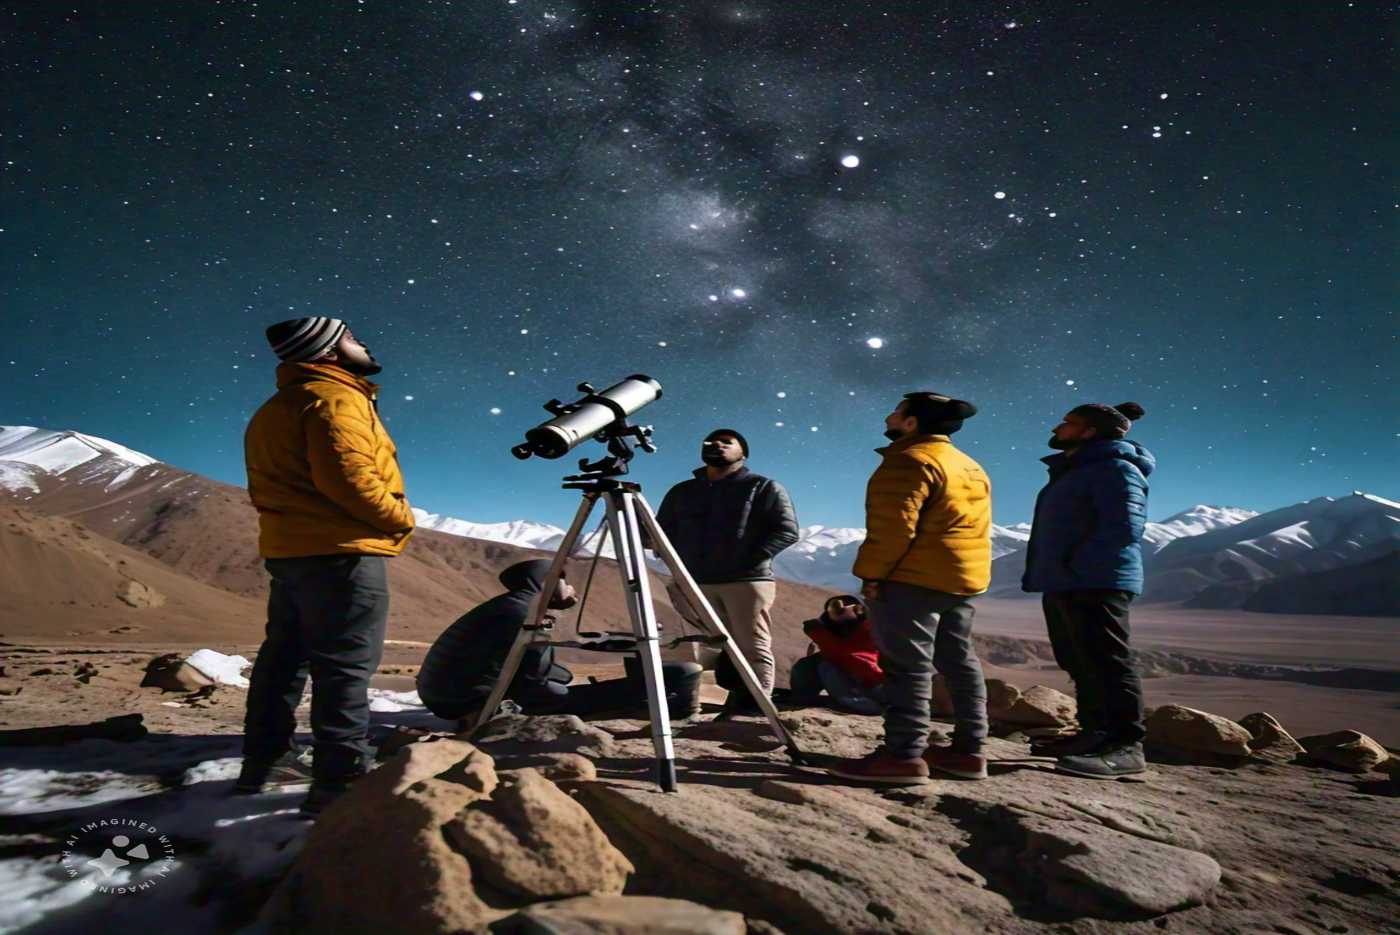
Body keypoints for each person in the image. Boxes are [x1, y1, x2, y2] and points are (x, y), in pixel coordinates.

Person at [237, 317, 415, 818]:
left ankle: (266, 764)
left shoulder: (278, 406)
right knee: (344, 668)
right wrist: (401, 517)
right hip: (341, 550)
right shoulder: (334, 399)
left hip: (293, 551)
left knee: (284, 660)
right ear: (329, 350)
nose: (363, 341)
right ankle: (341, 781)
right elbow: (350, 479)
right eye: (353, 337)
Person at [829, 392, 992, 785]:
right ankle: (969, 752)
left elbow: (891, 531)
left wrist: (872, 576)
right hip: (961, 578)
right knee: (958, 662)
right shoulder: (969, 465)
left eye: (897, 411)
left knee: (906, 667)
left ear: (911, 423)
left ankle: (903, 756)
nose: (889, 414)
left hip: (912, 578)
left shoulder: (907, 460)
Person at [1021, 402, 1153, 779]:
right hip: (1068, 580)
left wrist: (1080, 567)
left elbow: (1124, 527)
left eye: (1068, 423)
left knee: (1108, 661)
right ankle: (1094, 733)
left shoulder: (1116, 469)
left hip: (1097, 580)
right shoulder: (1079, 469)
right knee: (1079, 659)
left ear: (1089, 431)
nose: (1058, 427)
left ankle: (1126, 745)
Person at [417, 559, 702, 722]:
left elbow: (529, 668)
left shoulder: (513, 605)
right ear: (549, 584)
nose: (573, 588)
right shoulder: (530, 615)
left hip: (447, 697)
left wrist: (561, 676)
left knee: (565, 683)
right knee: (684, 672)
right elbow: (536, 683)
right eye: (566, 581)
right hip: (470, 703)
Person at [655, 428, 799, 713]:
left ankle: (757, 708)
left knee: (753, 645)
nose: (718, 445)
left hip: (745, 581)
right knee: (710, 644)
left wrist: (750, 559)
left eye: (727, 443)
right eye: (711, 442)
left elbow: (787, 530)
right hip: (694, 581)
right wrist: (671, 558)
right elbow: (659, 531)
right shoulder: (682, 491)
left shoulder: (763, 486)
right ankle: (714, 695)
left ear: (742, 453)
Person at [789, 594, 886, 715]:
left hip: (877, 691)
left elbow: (858, 662)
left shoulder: (871, 630)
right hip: (868, 687)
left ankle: (861, 705)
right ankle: (804, 696)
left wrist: (821, 636)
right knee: (810, 664)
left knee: (826, 665)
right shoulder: (840, 631)